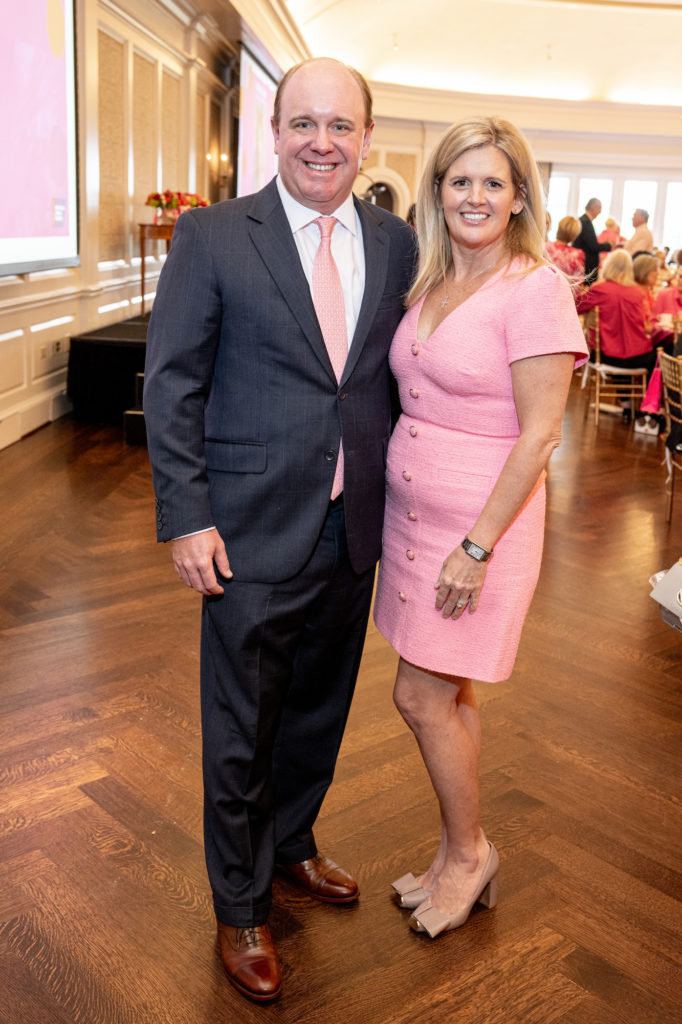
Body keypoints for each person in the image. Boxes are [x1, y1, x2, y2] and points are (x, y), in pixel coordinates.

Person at [143, 57, 416, 1002]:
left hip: (352, 529)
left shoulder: (396, 243)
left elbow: (385, 381)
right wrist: (187, 518)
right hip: (249, 530)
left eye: (341, 125)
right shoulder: (215, 235)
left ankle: (292, 844)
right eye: (305, 123)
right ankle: (241, 906)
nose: (323, 142)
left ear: (367, 137)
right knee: (240, 726)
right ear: (274, 129)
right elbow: (171, 381)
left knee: (317, 710)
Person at [372, 116, 588, 940]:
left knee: (420, 694)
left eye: (493, 182)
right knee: (446, 693)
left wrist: (475, 547)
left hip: (477, 532)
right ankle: (451, 852)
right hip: (411, 520)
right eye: (460, 180)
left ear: (519, 196)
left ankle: (470, 855)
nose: (475, 195)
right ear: (437, 192)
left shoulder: (533, 288)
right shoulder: (429, 279)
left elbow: (541, 434)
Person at [576, 250, 656, 421]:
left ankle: (627, 406)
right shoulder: (636, 292)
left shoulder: (601, 290)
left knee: (613, 344)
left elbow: (577, 306)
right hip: (637, 358)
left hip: (606, 357)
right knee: (657, 357)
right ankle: (648, 409)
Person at [572, 197, 611, 283]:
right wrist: (609, 245)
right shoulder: (585, 222)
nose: (600, 212)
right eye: (599, 208)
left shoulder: (584, 221)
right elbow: (593, 246)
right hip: (586, 267)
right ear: (594, 207)